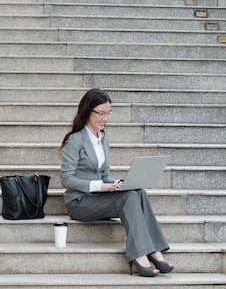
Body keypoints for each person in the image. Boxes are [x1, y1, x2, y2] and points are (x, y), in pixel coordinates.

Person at [58, 88, 174, 277]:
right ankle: (140, 255)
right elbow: (66, 178)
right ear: (88, 111)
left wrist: (120, 183)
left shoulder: (103, 139)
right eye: (101, 114)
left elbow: (104, 176)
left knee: (138, 192)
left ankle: (155, 251)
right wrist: (101, 186)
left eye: (108, 113)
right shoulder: (75, 140)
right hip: (80, 202)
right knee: (128, 198)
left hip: (99, 198)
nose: (105, 118)